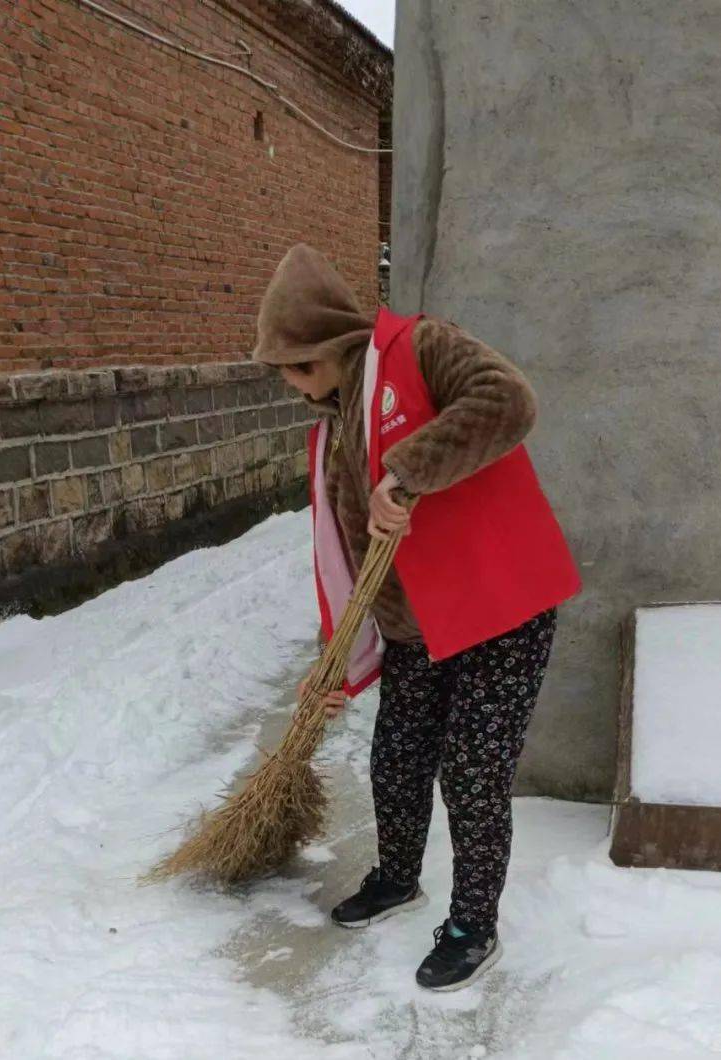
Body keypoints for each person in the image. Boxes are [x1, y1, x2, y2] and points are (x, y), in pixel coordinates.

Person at [251, 243, 582, 992]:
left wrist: (407, 468)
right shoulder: (335, 424)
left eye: (301, 367)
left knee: (470, 770)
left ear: (338, 344)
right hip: (415, 622)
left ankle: (473, 924)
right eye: (283, 372)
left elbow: (509, 400)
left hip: (499, 606)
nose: (293, 385)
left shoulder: (422, 346)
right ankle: (398, 877)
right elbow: (345, 553)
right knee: (397, 758)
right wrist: (332, 659)